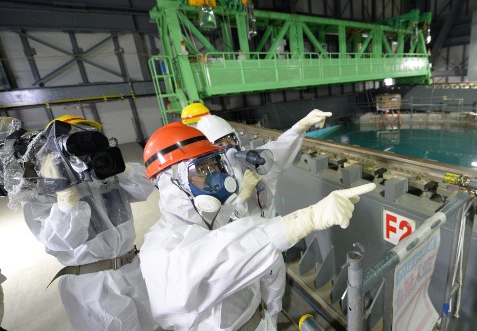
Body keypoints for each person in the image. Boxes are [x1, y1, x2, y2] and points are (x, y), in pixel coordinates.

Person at [139, 122, 375, 331]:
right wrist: (307, 219)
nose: (214, 176)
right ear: (171, 183)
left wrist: (298, 128)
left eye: (214, 165)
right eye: (201, 170)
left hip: (261, 315)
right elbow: (222, 255)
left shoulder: (216, 217)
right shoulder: (160, 250)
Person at [9, 115, 156, 331]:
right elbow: (63, 239)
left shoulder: (106, 173)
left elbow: (145, 187)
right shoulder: (41, 193)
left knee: (152, 324)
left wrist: (119, 168)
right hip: (93, 286)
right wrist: (63, 193)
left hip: (133, 269)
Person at [193, 107, 332, 322]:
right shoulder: (209, 184)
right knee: (251, 303)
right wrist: (241, 197)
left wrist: (300, 126)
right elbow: (215, 227)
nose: (228, 146)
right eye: (220, 143)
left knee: (275, 295)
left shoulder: (257, 162)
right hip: (244, 256)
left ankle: (272, 323)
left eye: (230, 138)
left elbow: (280, 147)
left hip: (273, 246)